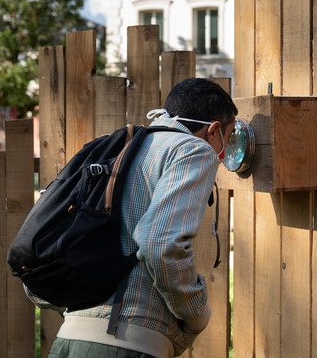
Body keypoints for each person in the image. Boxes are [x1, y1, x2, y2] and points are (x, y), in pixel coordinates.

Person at [49, 77, 237, 358]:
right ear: (214, 129)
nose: (224, 151)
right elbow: (159, 243)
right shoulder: (193, 150)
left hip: (69, 337)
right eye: (229, 137)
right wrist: (197, 312)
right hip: (127, 343)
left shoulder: (123, 147)